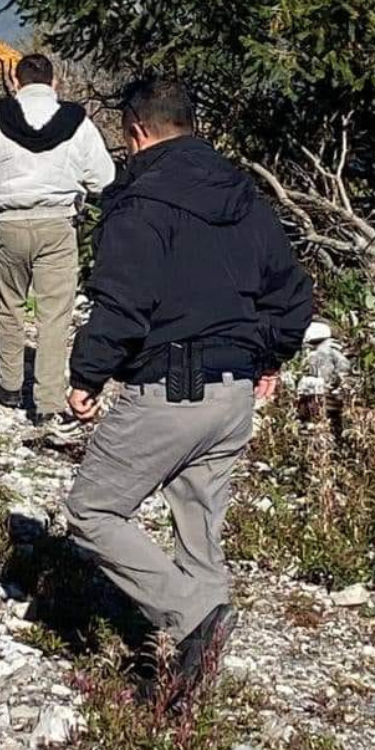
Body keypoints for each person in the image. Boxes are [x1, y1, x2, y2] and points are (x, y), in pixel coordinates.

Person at [62, 77, 312, 710]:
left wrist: (88, 374)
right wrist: (271, 356)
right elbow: (289, 292)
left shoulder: (140, 199)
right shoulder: (243, 195)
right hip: (234, 395)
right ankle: (190, 681)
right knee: (199, 522)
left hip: (173, 385)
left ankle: (192, 617)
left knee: (93, 511)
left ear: (137, 132)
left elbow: (122, 301)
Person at [0, 53, 116, 420]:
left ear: (16, 82)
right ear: (55, 83)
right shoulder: (77, 123)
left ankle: (8, 385)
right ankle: (48, 402)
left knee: (10, 306)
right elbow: (104, 179)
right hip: (58, 225)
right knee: (54, 315)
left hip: (9, 225)